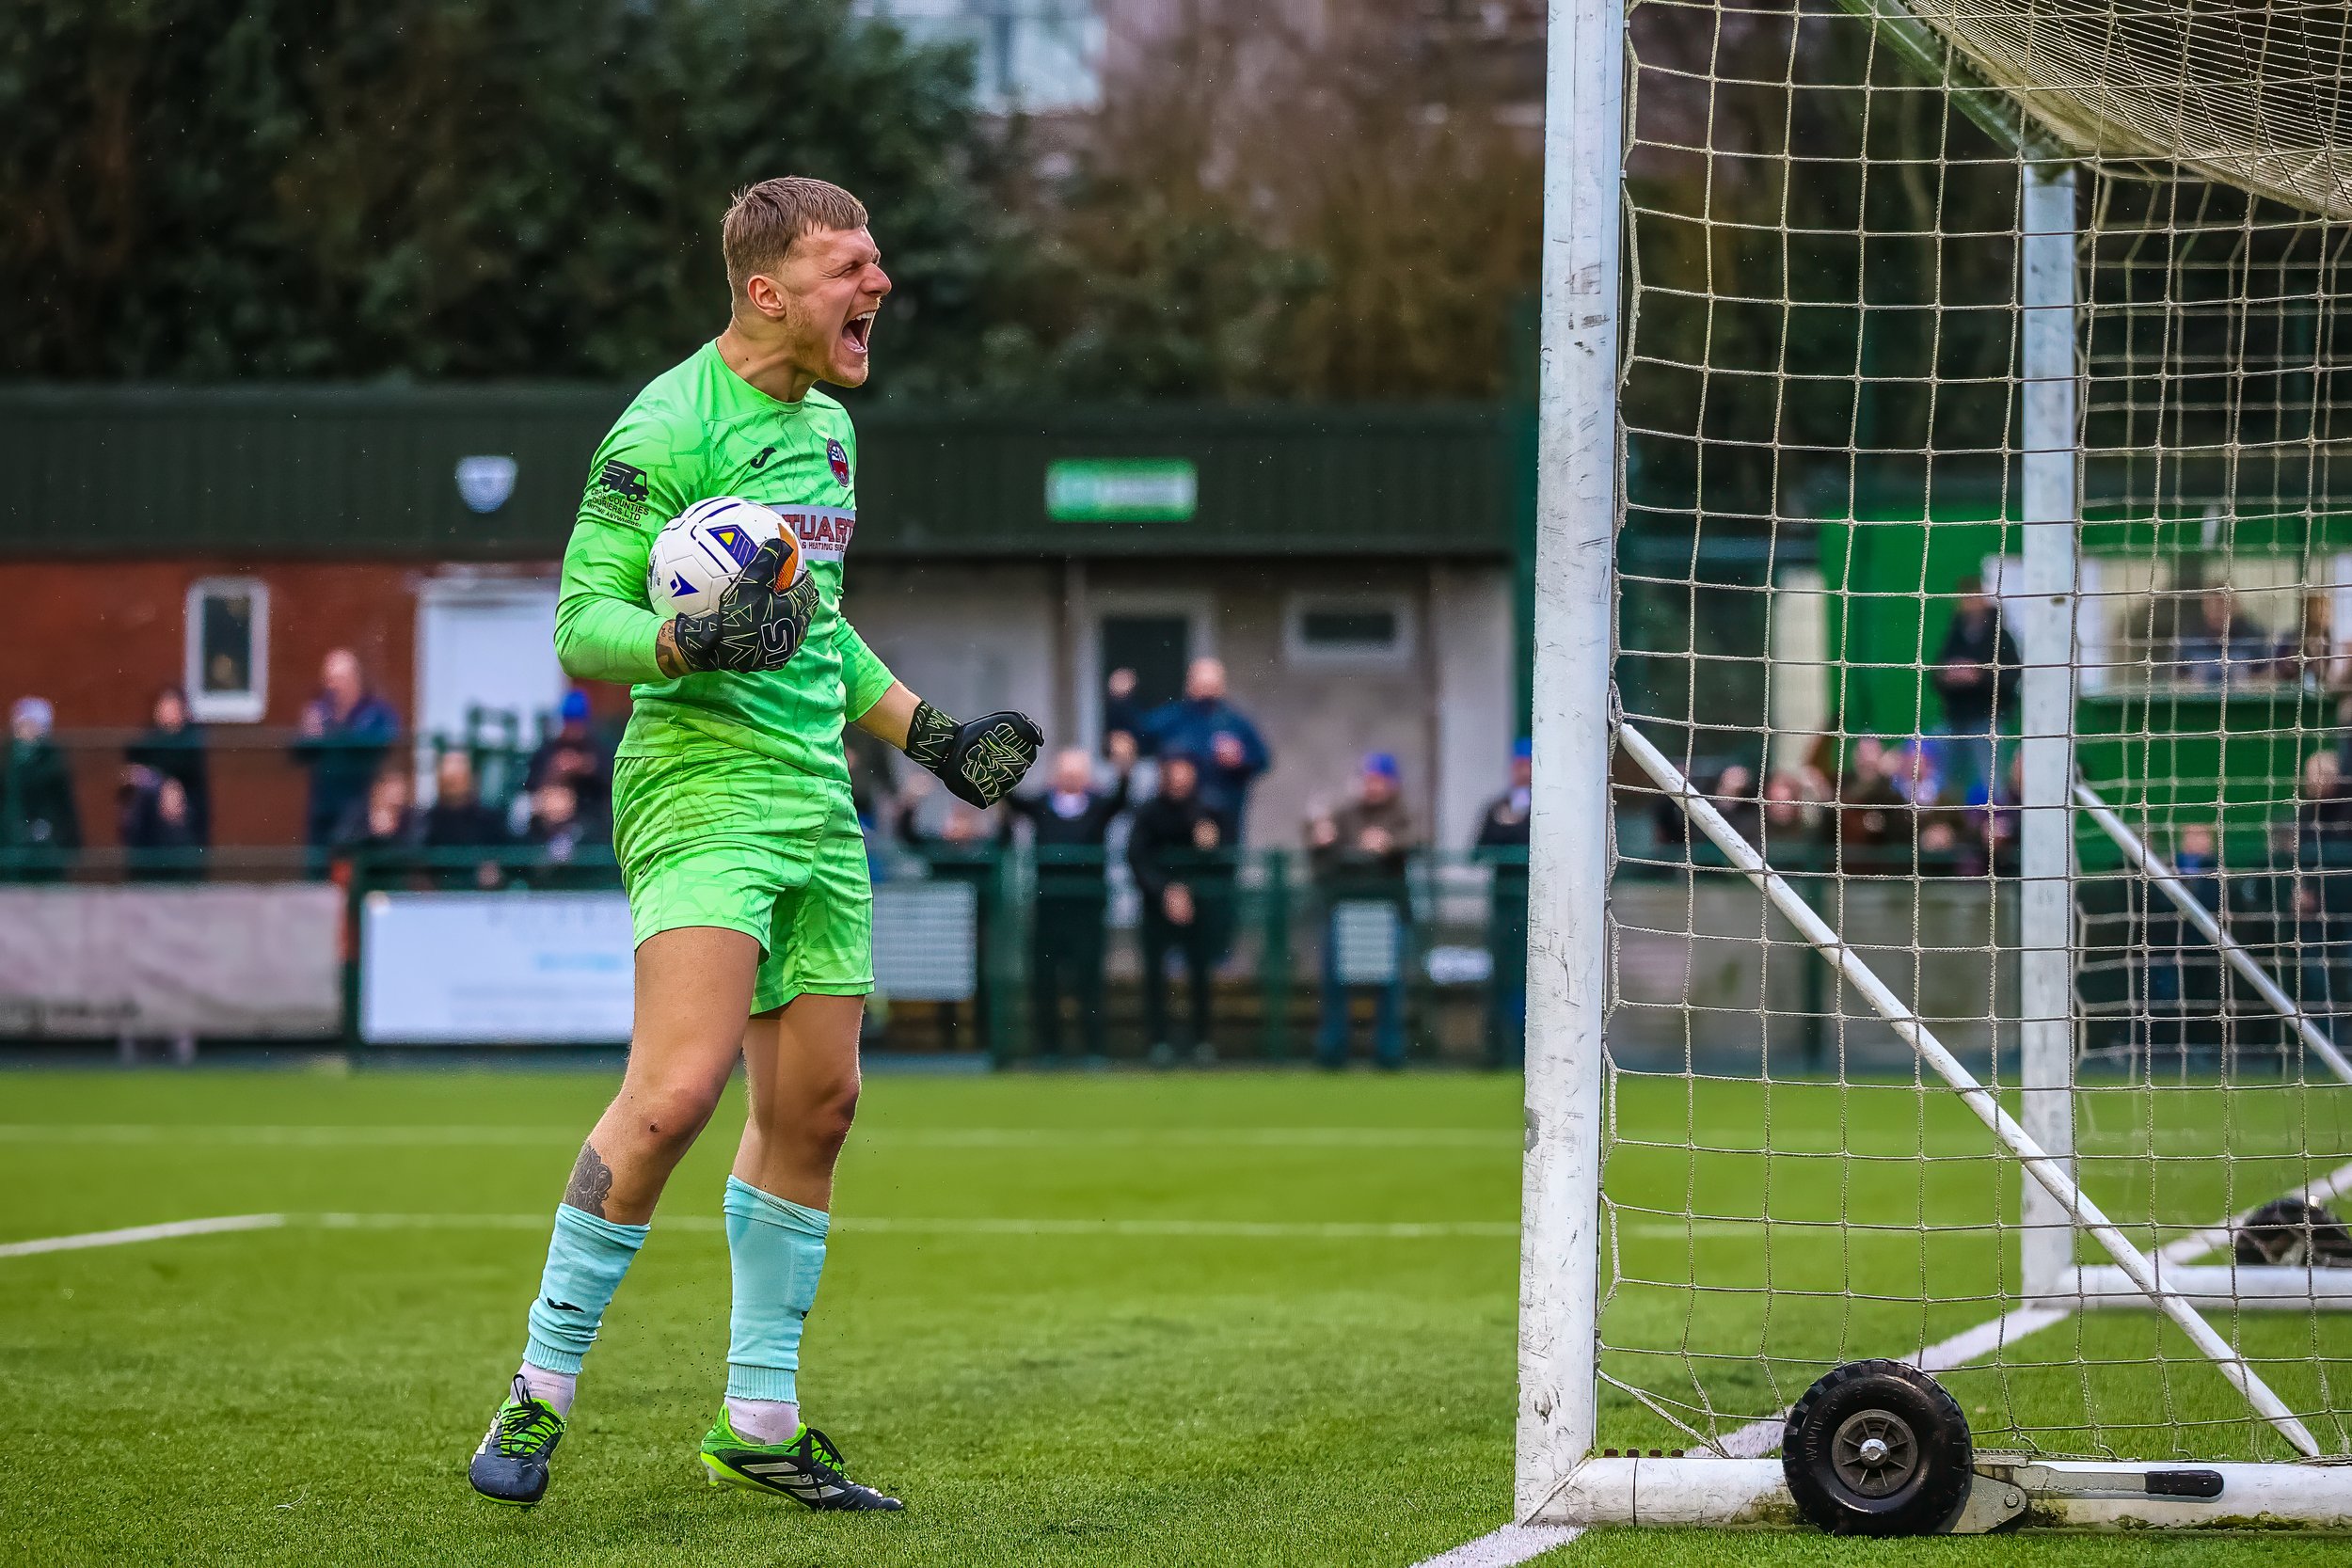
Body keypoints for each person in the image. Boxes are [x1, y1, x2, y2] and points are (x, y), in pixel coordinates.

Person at [467, 176, 1039, 1513]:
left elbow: (820, 625)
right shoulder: (664, 425)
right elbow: (578, 622)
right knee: (673, 1094)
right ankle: (538, 1391)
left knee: (819, 1110)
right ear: (768, 290)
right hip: (697, 785)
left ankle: (760, 1419)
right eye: (853, 267)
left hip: (814, 799)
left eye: (878, 262)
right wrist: (679, 639)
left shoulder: (834, 432)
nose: (880, 286)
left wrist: (935, 737)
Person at [1007, 735, 1135, 1063]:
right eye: (1066, 771)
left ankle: (1093, 1048)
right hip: (1049, 906)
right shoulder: (1040, 806)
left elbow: (1123, 799)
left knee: (1089, 981)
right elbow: (1009, 798)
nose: (1071, 777)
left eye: (1078, 772)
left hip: (1087, 908)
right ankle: (1048, 1049)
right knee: (1046, 980)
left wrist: (1123, 766)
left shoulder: (1099, 806)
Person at [1309, 752, 1421, 1069]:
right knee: (1335, 982)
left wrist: (1388, 843)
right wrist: (1321, 838)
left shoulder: (1401, 815)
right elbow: (1323, 856)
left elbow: (1415, 839)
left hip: (1388, 911)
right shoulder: (1346, 815)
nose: (1372, 786)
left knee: (1388, 985)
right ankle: (1333, 1052)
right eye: (1368, 779)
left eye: (1378, 780)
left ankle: (1388, 1054)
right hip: (1345, 909)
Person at [1127, 752, 1225, 1064]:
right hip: (1156, 907)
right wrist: (1165, 892)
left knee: (1200, 974)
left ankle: (1201, 1041)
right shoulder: (1149, 812)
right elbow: (1137, 858)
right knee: (1155, 976)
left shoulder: (1208, 810)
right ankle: (1158, 1042)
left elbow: (1223, 861)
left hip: (1199, 906)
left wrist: (1210, 849)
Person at [1114, 657, 1270, 841]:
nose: (1206, 690)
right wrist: (1122, 701)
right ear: (1190, 684)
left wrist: (1239, 760)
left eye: (1211, 684)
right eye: (1201, 683)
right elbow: (1139, 734)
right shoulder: (1174, 717)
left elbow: (1262, 759)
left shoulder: (1235, 722)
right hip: (1176, 813)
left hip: (1224, 812)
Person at [293, 649, 398, 856]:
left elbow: (384, 742)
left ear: (354, 679)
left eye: (339, 678)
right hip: (323, 802)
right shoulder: (319, 711)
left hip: (361, 800)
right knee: (318, 862)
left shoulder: (375, 710)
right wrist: (308, 734)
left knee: (352, 864)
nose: (332, 685)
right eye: (329, 679)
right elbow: (298, 754)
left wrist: (333, 734)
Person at [1929, 578, 2020, 802]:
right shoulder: (1954, 634)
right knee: (1947, 781)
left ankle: (1995, 825)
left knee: (1990, 780)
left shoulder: (2000, 635)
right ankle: (1954, 822)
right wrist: (1949, 676)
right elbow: (1936, 675)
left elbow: (2011, 675)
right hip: (1955, 720)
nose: (1969, 603)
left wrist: (1978, 675)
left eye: (1974, 597)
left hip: (1987, 719)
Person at [1472, 739, 1532, 1069]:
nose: (1522, 772)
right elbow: (1479, 850)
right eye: (1518, 765)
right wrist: (1504, 826)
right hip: (1504, 907)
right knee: (1503, 977)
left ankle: (1529, 1049)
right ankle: (1499, 1050)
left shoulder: (1552, 806)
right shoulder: (1496, 807)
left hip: (1536, 909)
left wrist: (1517, 827)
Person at [4, 697, 80, 881]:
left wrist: (68, 840)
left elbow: (64, 806)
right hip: (11, 843)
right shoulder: (7, 759)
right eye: (23, 723)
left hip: (46, 842)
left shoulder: (53, 761)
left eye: (32, 724)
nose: (26, 730)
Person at [124, 687, 211, 849]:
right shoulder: (145, 743)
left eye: (172, 707)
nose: (168, 713)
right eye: (164, 706)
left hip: (183, 828)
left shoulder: (191, 746)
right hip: (149, 828)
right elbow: (129, 774)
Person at [422, 750, 513, 890]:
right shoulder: (427, 821)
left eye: (458, 774)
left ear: (472, 777)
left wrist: (495, 868)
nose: (451, 778)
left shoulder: (490, 820)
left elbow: (509, 856)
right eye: (447, 774)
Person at [528, 689, 613, 829]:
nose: (572, 728)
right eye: (568, 722)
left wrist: (586, 767)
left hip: (589, 821)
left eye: (577, 723)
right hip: (546, 824)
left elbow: (609, 782)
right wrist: (555, 771)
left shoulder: (597, 749)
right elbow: (531, 786)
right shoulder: (548, 750)